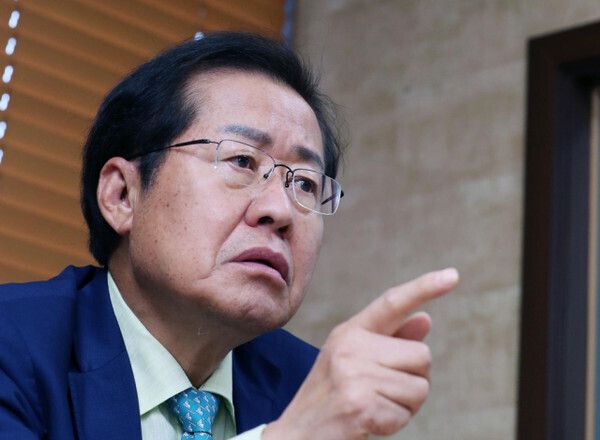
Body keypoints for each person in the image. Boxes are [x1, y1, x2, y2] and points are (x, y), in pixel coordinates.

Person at [0, 32, 459, 439]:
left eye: (304, 184)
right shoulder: (13, 344)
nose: (280, 210)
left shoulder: (306, 387)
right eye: (242, 161)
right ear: (122, 195)